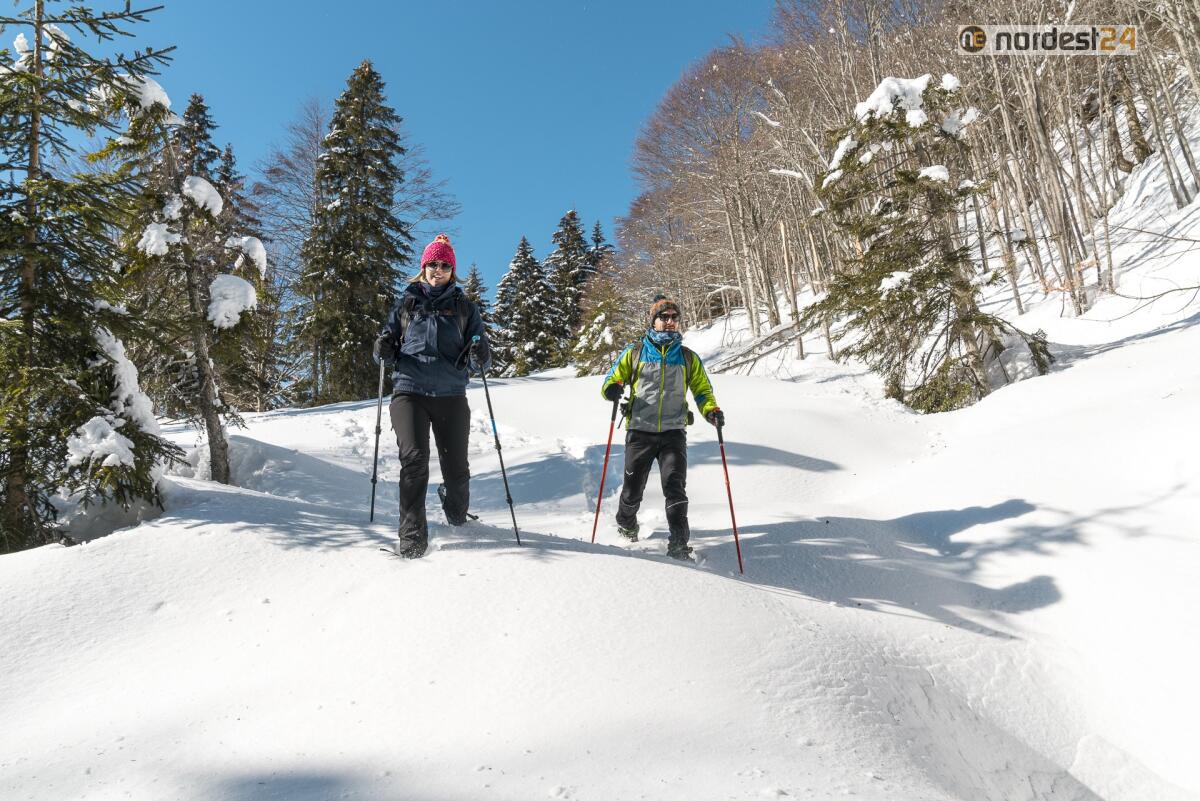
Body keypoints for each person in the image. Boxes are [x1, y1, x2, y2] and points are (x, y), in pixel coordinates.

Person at [373, 234, 491, 558]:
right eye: (432, 264)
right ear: (423, 267)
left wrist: (481, 350)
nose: (437, 269)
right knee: (414, 461)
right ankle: (412, 541)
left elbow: (484, 357)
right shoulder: (406, 305)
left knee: (457, 472)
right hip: (409, 392)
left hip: (451, 394)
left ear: (452, 270)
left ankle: (454, 509)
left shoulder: (466, 309)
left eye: (444, 265)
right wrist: (381, 348)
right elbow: (384, 349)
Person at [599, 295, 723, 560]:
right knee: (632, 492)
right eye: (663, 317)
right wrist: (612, 389)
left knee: (675, 487)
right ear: (653, 321)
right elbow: (612, 379)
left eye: (674, 318)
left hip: (673, 432)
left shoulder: (688, 358)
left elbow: (702, 390)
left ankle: (679, 543)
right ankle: (626, 522)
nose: (669, 322)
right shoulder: (635, 353)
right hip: (640, 431)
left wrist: (710, 411)